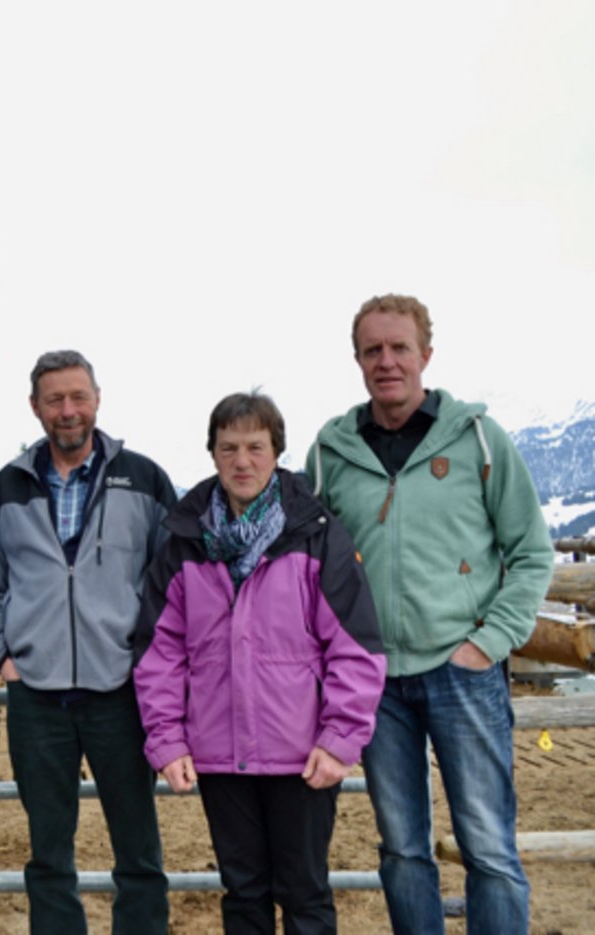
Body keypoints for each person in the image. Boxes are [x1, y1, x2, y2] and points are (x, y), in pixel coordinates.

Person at [306, 294, 554, 935]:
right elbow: (309, 561)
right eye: (372, 350)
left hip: (462, 669)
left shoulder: (476, 438)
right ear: (357, 359)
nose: (386, 361)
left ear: (426, 354)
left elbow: (530, 551)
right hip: (374, 681)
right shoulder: (333, 452)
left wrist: (489, 642)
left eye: (399, 348)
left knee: (489, 846)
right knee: (402, 849)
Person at [134, 392, 387, 934]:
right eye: (228, 448)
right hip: (220, 753)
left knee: (305, 891)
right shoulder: (183, 543)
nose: (241, 461)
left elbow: (356, 647)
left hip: (303, 753)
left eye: (255, 446)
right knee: (243, 892)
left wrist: (341, 736)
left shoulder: (316, 535)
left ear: (277, 452)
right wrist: (167, 738)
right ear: (213, 454)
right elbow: (159, 654)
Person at [0, 350, 175, 935]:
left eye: (78, 396)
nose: (68, 410)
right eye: (55, 399)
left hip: (120, 693)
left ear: (97, 400)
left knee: (138, 847)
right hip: (37, 696)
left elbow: (169, 583)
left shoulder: (143, 477)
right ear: (35, 406)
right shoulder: (7, 486)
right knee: (48, 850)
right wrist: (2, 655)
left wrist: (147, 658)